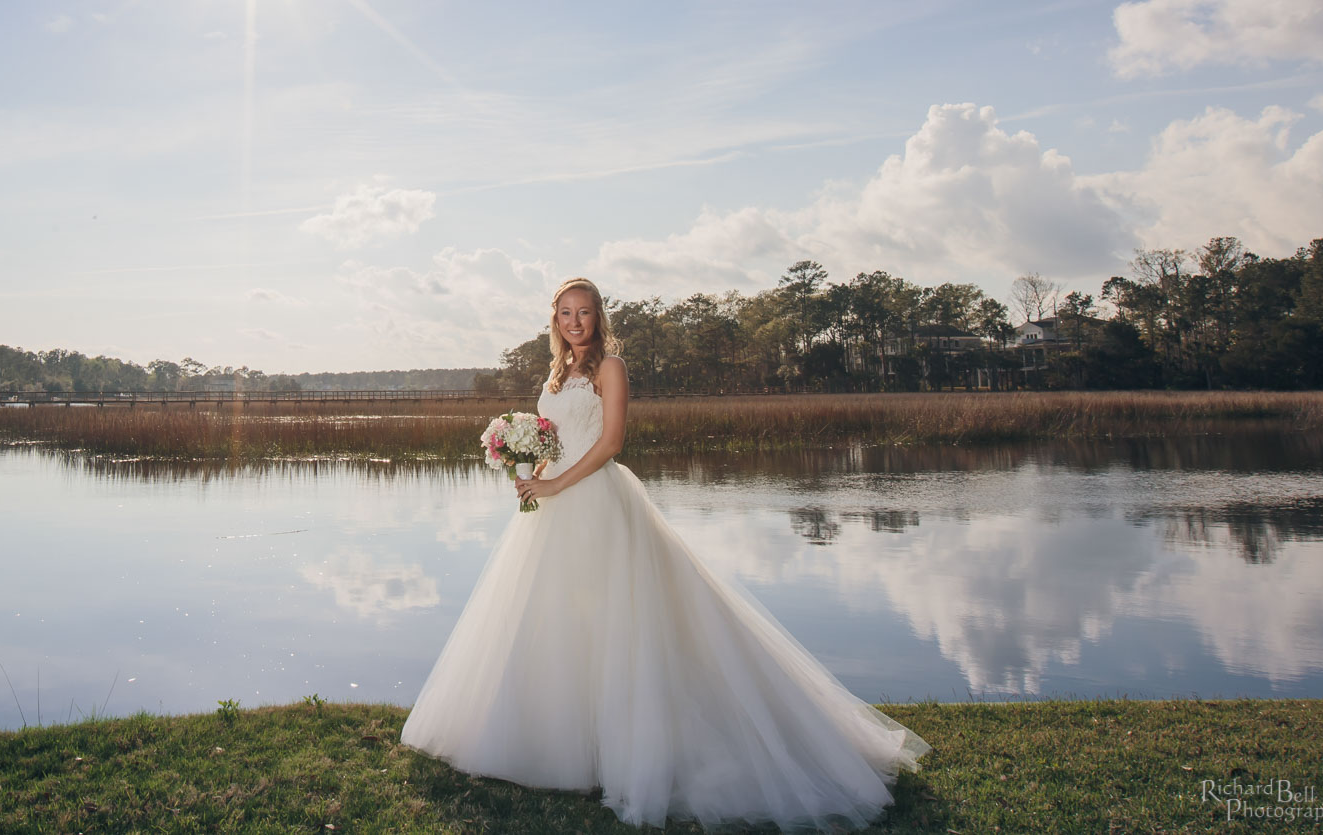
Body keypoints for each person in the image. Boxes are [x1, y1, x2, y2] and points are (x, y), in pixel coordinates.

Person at [399, 277, 932, 832]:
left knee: (615, 622)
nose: (574, 322)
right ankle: (557, 744)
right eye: (564, 314)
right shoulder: (554, 373)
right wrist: (530, 469)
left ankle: (624, 747)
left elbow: (610, 444)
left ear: (598, 317)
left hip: (596, 500)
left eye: (584, 313)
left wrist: (559, 485)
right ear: (553, 320)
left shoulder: (612, 367)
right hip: (552, 502)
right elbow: (552, 435)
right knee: (555, 618)